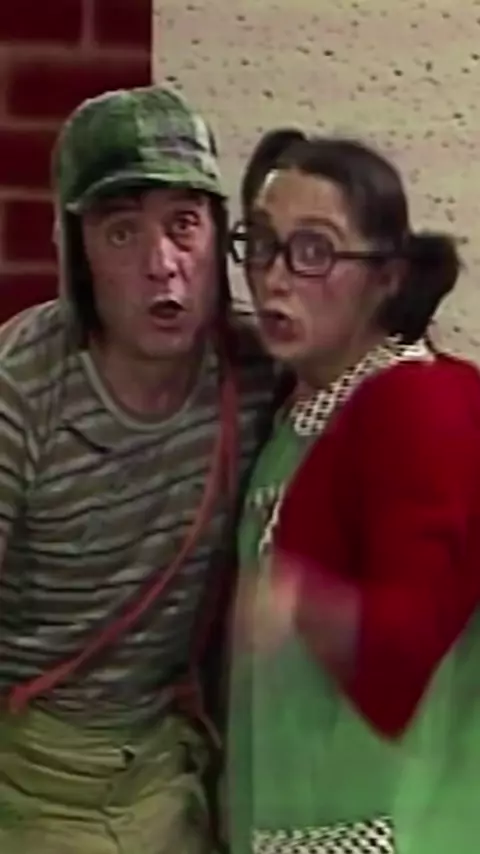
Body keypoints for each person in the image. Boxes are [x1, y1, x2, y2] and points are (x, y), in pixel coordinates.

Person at [0, 85, 276, 854]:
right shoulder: (21, 390)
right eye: (122, 232)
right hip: (29, 769)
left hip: (169, 763)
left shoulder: (257, 370)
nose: (163, 266)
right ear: (78, 255)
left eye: (184, 224)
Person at [227, 129, 480, 854]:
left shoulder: (419, 403)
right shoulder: (299, 412)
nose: (275, 278)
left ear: (387, 277)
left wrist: (307, 604)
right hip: (294, 821)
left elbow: (415, 636)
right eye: (263, 245)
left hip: (396, 828)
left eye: (315, 251)